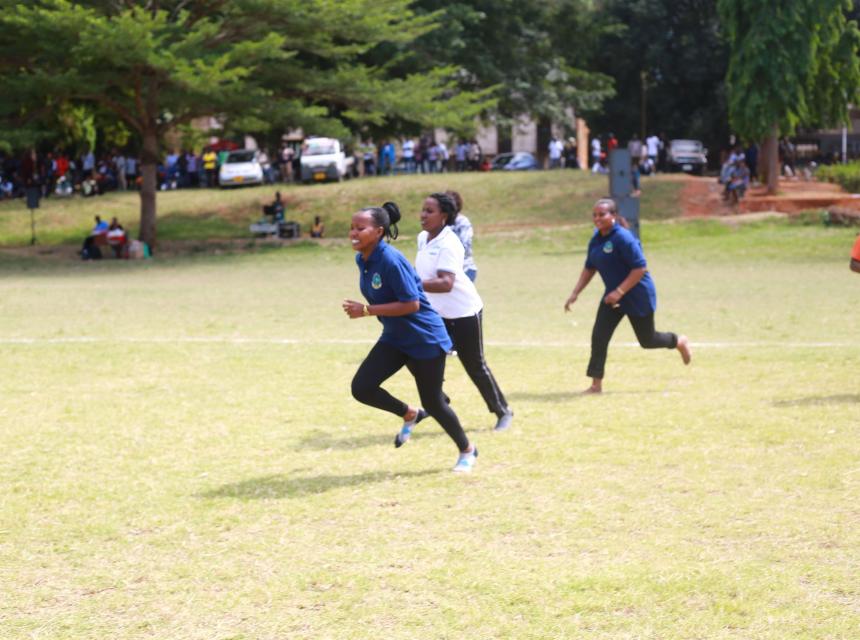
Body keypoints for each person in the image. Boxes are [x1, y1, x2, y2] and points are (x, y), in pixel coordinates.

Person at [343, 202, 478, 472]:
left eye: (361, 228)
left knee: (435, 402)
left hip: (424, 338)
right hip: (395, 337)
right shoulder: (363, 259)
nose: (353, 233)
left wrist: (367, 310)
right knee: (362, 387)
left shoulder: (392, 260)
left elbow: (412, 304)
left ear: (379, 231)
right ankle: (410, 414)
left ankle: (468, 450)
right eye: (352, 228)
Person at [564, 198, 691, 393]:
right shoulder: (596, 239)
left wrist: (619, 291)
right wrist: (575, 293)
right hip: (612, 299)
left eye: (602, 214)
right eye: (595, 215)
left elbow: (640, 268)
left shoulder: (623, 238)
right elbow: (590, 268)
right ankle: (596, 385)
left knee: (647, 340)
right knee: (599, 337)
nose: (597, 218)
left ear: (613, 216)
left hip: (637, 295)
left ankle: (678, 341)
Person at [416, 192, 513, 431]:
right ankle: (438, 401)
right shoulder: (422, 238)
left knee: (475, 366)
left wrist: (412, 283)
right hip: (438, 314)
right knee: (425, 359)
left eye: (430, 211)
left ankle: (503, 411)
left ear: (444, 216)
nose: (423, 215)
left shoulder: (450, 242)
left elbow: (446, 283)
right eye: (423, 209)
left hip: (464, 313)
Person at [447, 191, 478, 282]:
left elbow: (465, 246)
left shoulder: (462, 222)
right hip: (447, 270)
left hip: (464, 269)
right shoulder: (440, 224)